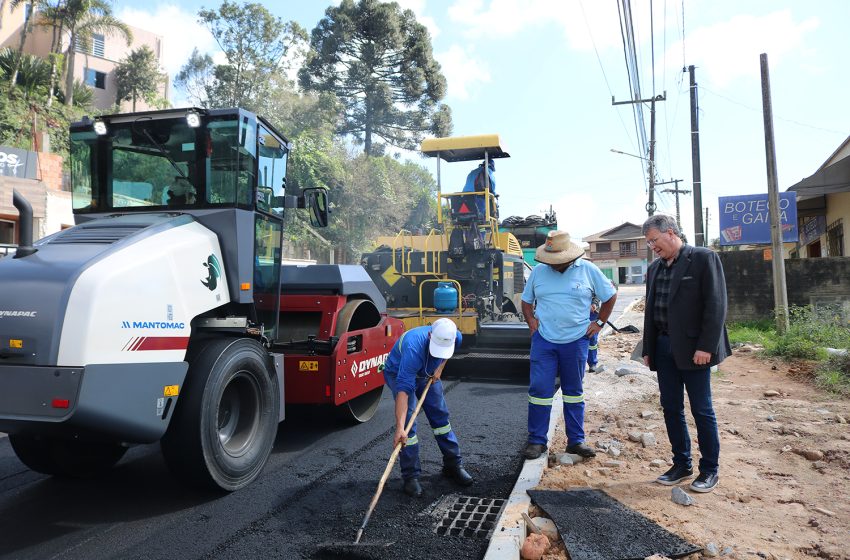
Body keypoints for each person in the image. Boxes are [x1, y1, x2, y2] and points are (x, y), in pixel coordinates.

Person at [641, 214, 730, 493]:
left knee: (701, 410)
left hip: (695, 350)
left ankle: (709, 470)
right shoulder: (654, 268)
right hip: (663, 347)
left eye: (654, 240)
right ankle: (682, 464)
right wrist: (648, 348)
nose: (652, 246)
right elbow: (650, 311)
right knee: (671, 407)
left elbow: (716, 305)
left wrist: (706, 346)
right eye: (649, 243)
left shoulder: (703, 258)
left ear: (670, 233)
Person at [521, 230, 617, 460]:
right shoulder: (539, 272)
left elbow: (610, 296)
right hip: (544, 341)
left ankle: (575, 441)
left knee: (573, 392)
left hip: (575, 341)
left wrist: (599, 323)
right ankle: (537, 441)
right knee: (539, 391)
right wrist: (531, 322)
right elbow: (526, 301)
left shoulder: (588, 270)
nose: (553, 264)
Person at [381, 317, 474, 497]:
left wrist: (440, 367)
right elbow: (403, 392)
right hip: (399, 372)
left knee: (440, 417)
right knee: (408, 425)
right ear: (430, 336)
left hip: (428, 373)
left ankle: (453, 464)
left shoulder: (455, 336)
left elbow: (448, 352)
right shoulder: (413, 349)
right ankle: (410, 476)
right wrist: (400, 428)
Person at [587, 296, 601, 373]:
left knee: (592, 338)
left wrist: (594, 303)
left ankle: (592, 363)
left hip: (592, 312)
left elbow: (598, 293)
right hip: (575, 311)